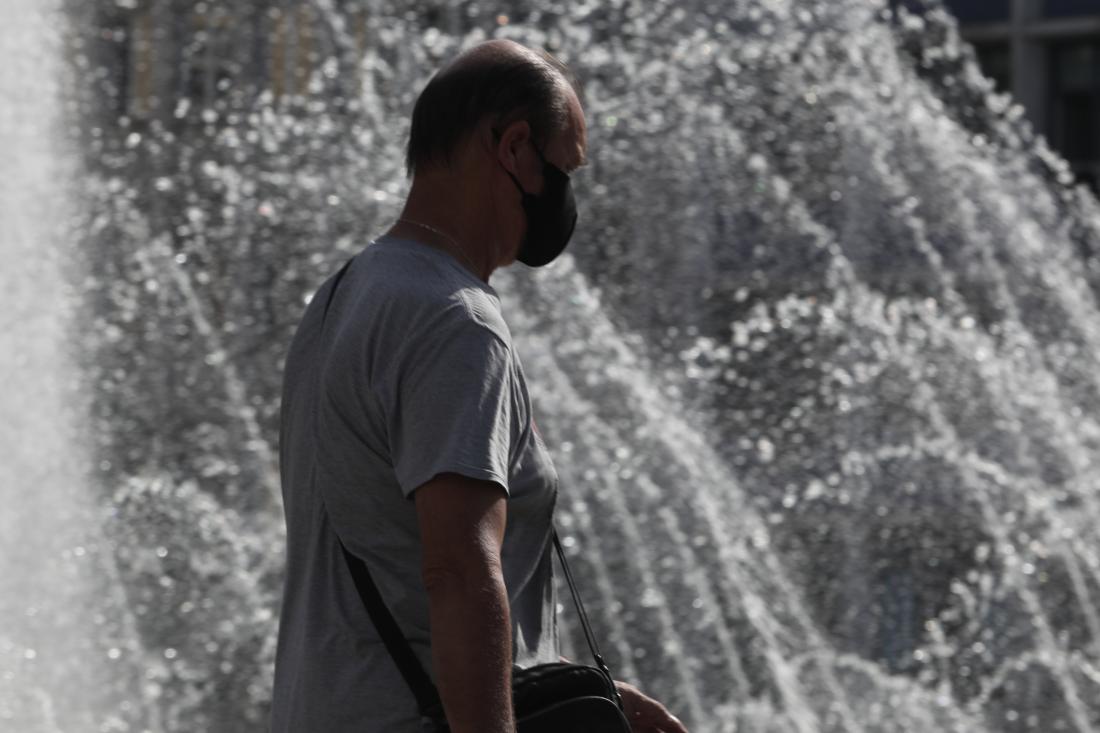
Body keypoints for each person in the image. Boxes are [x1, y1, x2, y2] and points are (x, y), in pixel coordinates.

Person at [270, 39, 688, 733]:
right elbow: (459, 572)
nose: (568, 198)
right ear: (516, 149)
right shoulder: (456, 320)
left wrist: (560, 686)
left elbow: (388, 558)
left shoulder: (342, 298)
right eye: (565, 168)